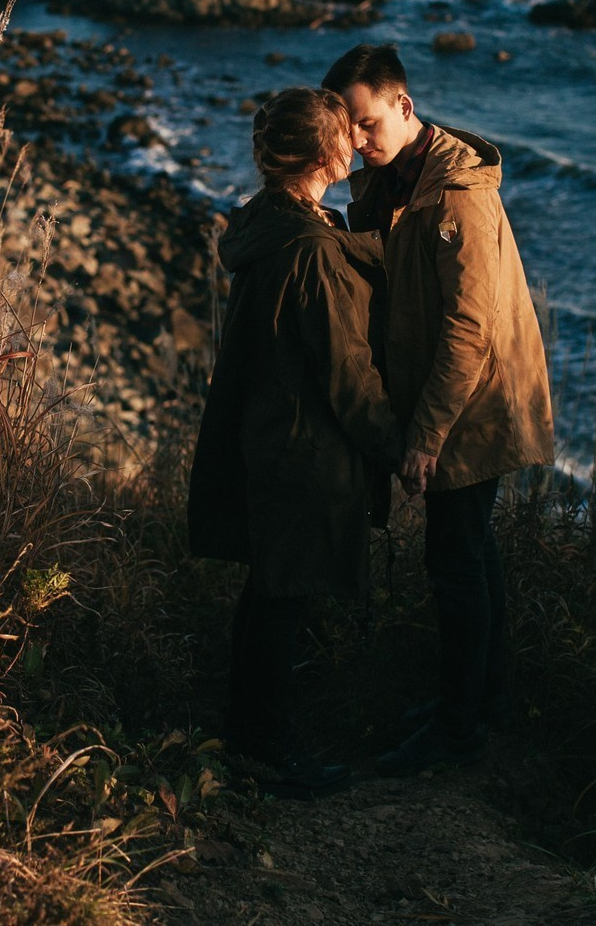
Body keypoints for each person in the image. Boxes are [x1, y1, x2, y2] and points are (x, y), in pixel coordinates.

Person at [320, 43, 555, 777]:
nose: (358, 140)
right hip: (447, 402)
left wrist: (423, 438)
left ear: (404, 105)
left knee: (455, 560)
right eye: (348, 128)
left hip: (472, 406)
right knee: (473, 552)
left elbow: (468, 328)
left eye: (367, 123)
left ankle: (456, 732)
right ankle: (484, 704)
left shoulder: (457, 194)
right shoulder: (392, 177)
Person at [188, 87, 402, 799]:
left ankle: (253, 734)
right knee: (283, 601)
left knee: (269, 594)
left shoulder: (273, 224)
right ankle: (267, 750)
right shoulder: (310, 248)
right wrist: (396, 446)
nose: (357, 142)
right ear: (325, 153)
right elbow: (346, 370)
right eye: (347, 133)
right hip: (305, 445)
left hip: (272, 433)